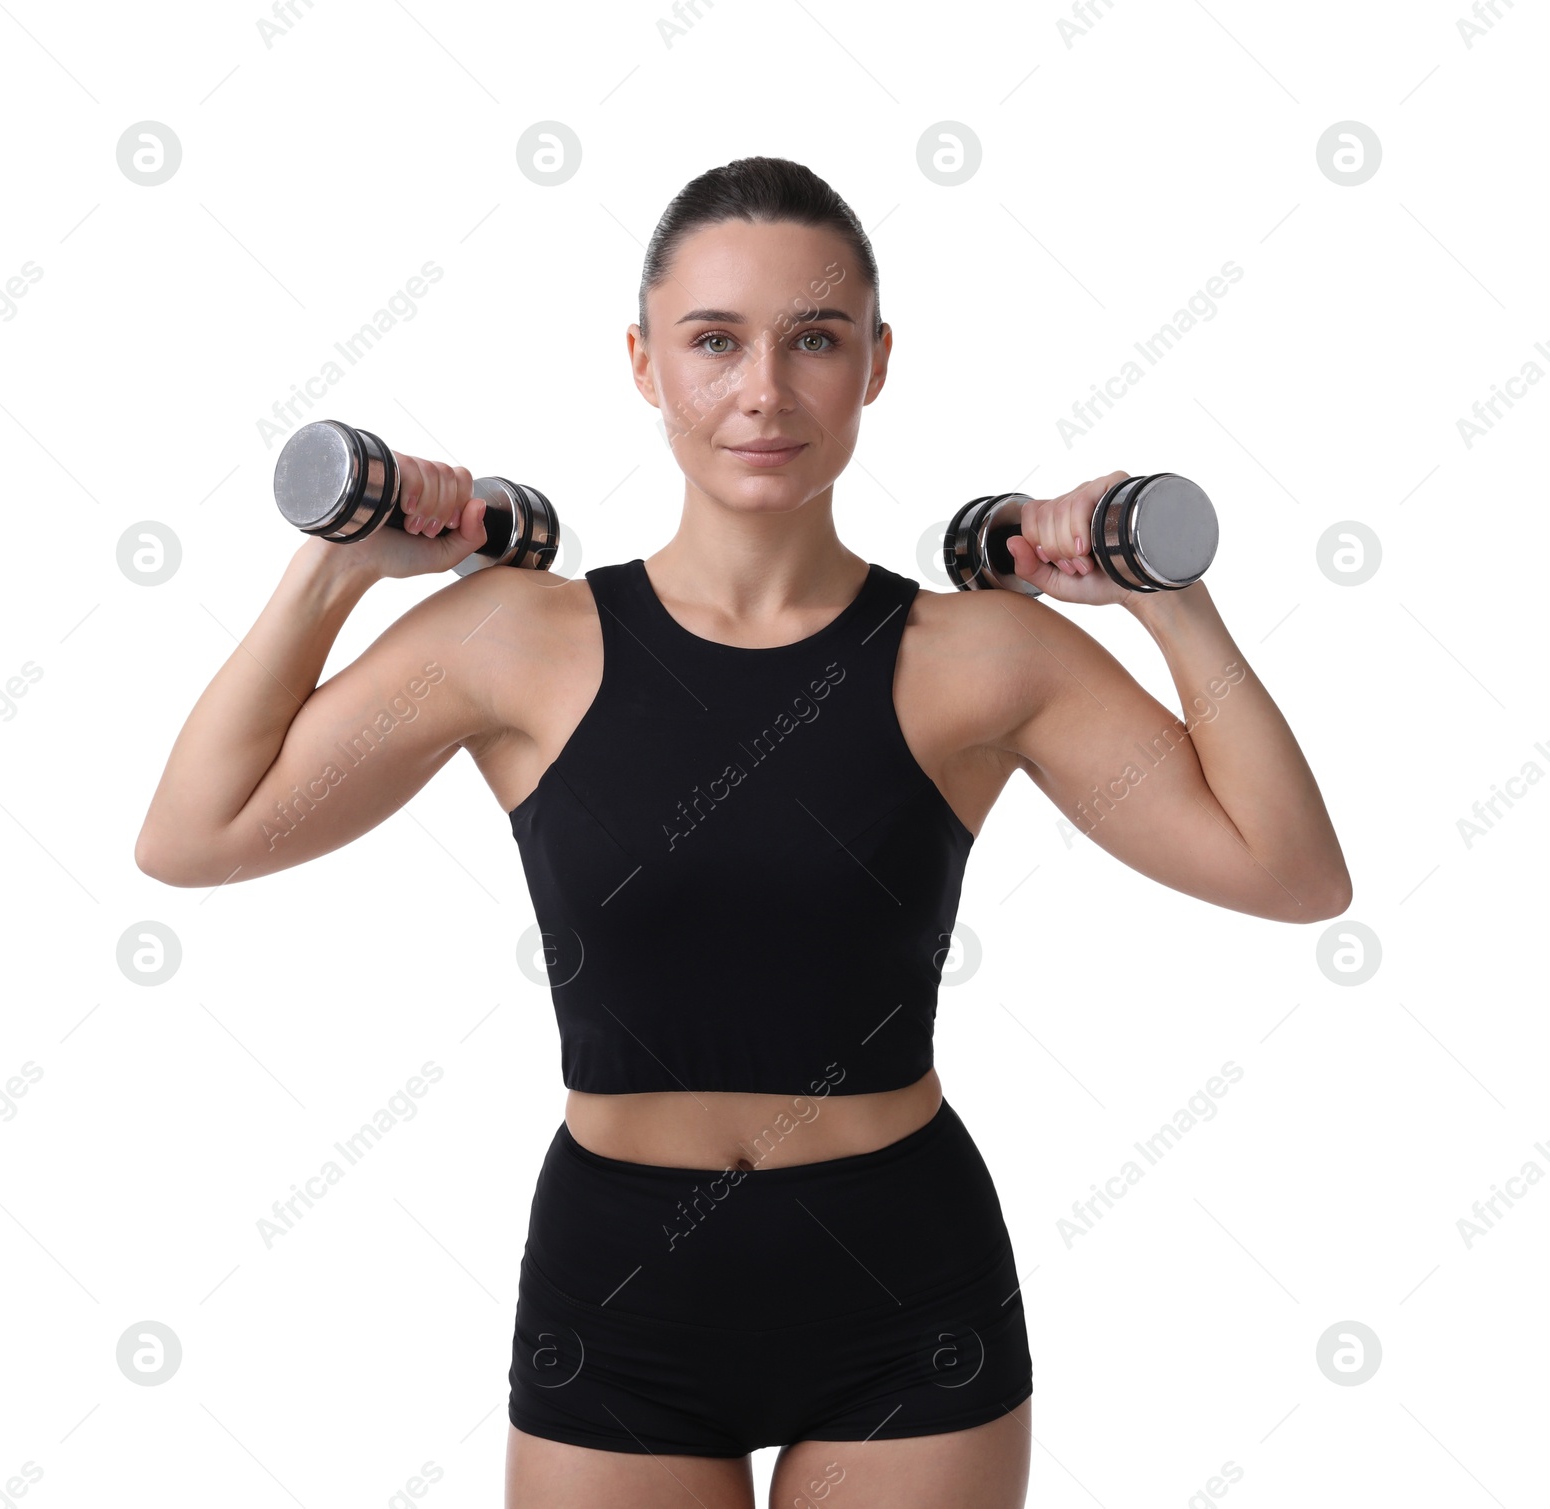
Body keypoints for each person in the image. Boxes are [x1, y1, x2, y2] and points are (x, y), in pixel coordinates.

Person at [135, 156, 1352, 1509]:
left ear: (877, 363)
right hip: (622, 1284)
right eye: (714, 341)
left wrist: (1163, 601)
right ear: (645, 363)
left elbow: (1291, 872)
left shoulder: (984, 653)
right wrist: (341, 567)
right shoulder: (512, 638)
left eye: (815, 338)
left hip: (903, 1277)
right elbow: (196, 833)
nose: (764, 391)